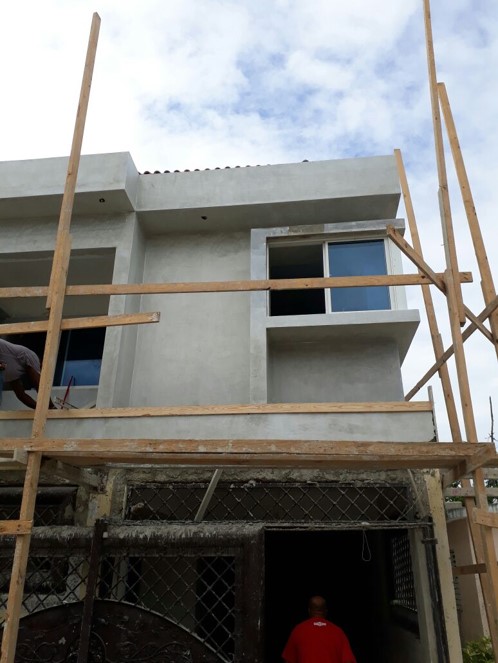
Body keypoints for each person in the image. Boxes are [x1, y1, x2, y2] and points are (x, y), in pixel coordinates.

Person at [282, 595, 356, 663]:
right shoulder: (338, 632)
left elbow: (288, 660)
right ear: (326, 611)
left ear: (309, 610)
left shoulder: (298, 630)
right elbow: (349, 661)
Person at [0, 339, 55, 409]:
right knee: (37, 383)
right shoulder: (29, 357)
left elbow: (21, 395)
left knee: (22, 392)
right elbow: (38, 385)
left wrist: (40, 409)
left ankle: (49, 406)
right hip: (23, 355)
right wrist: (50, 407)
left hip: (12, 363)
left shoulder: (12, 374)